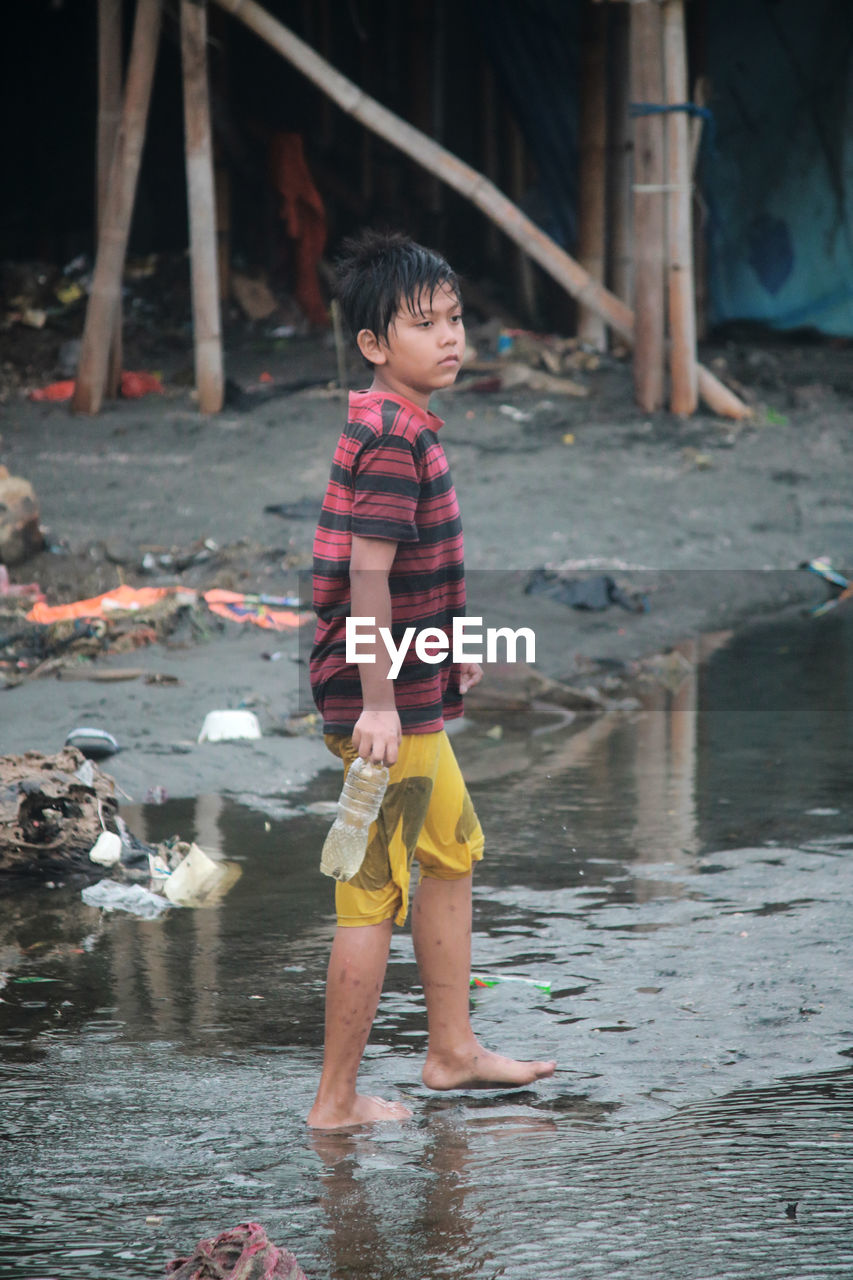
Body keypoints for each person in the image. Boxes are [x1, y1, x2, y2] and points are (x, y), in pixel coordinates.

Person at [308, 230, 555, 1129]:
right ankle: (335, 1103)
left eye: (454, 319)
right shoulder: (387, 442)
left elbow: (408, 576)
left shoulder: (401, 426)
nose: (450, 337)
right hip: (382, 703)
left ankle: (450, 1051)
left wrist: (450, 644)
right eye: (425, 324)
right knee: (373, 889)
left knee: (451, 852)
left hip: (405, 689)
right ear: (375, 345)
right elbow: (366, 577)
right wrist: (378, 700)